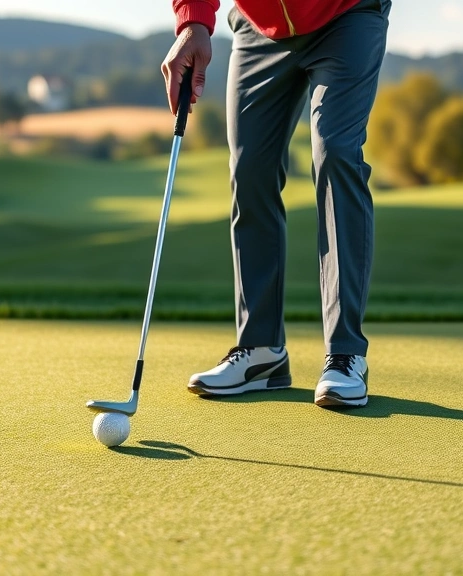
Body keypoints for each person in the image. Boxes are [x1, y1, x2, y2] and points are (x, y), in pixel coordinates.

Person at [163, 0, 391, 408]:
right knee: (249, 169)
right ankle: (262, 351)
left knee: (336, 151)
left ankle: (346, 353)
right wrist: (192, 22)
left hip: (347, 14)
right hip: (258, 26)